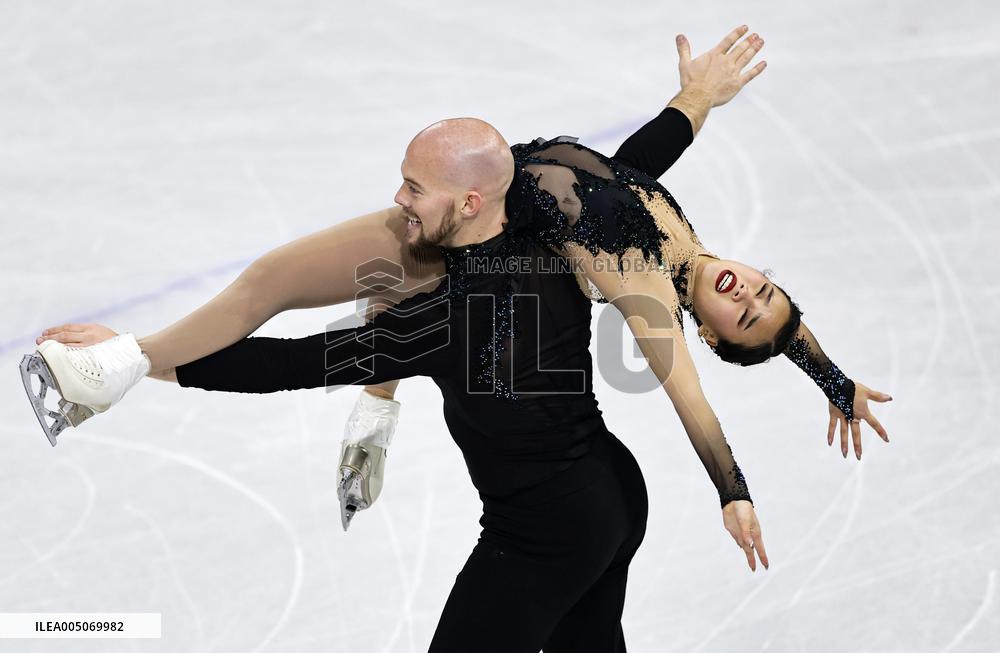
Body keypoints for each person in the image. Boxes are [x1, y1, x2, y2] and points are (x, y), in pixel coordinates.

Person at [21, 26, 891, 652]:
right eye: (763, 285)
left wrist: (732, 489)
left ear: (703, 327)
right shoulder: (655, 226)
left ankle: (125, 364)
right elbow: (637, 162)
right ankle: (137, 362)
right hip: (599, 494)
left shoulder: (633, 288)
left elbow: (688, 397)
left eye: (744, 313)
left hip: (549, 513)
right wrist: (829, 374)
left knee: (368, 313)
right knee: (280, 284)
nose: (747, 289)